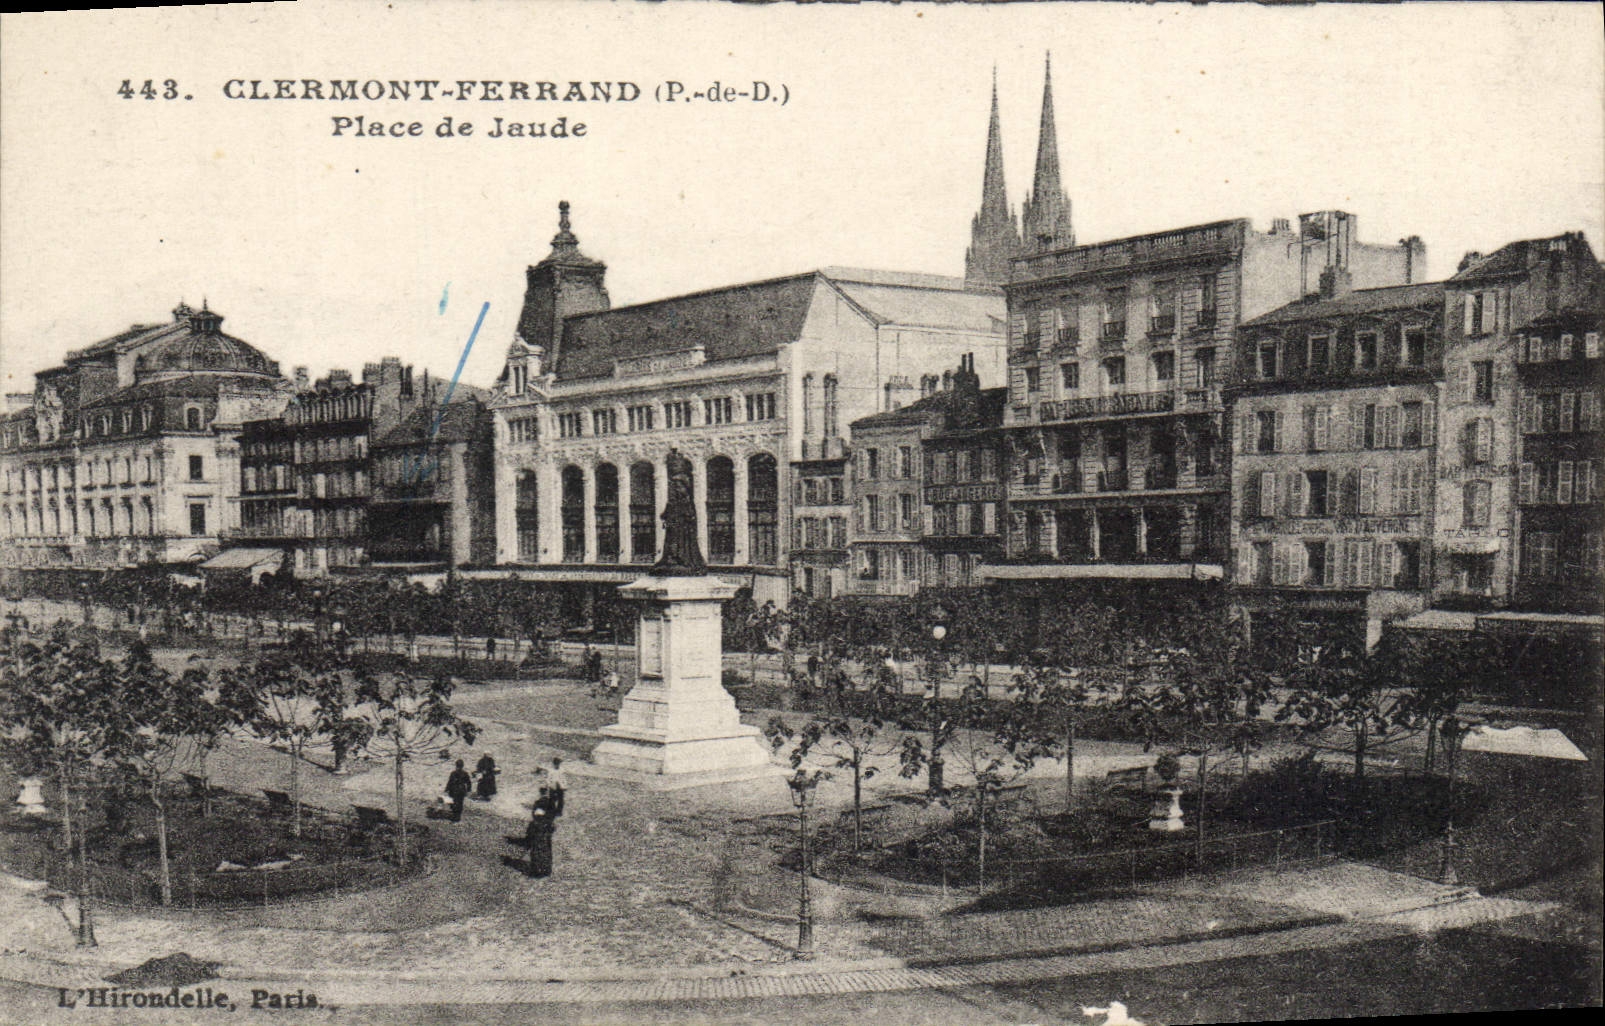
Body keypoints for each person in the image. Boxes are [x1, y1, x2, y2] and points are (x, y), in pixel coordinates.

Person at [524, 774, 556, 879]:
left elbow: (533, 817)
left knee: (537, 851)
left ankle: (537, 870)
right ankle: (546, 869)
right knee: (546, 850)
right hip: (546, 830)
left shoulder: (538, 803)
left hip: (539, 832)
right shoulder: (550, 803)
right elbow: (552, 816)